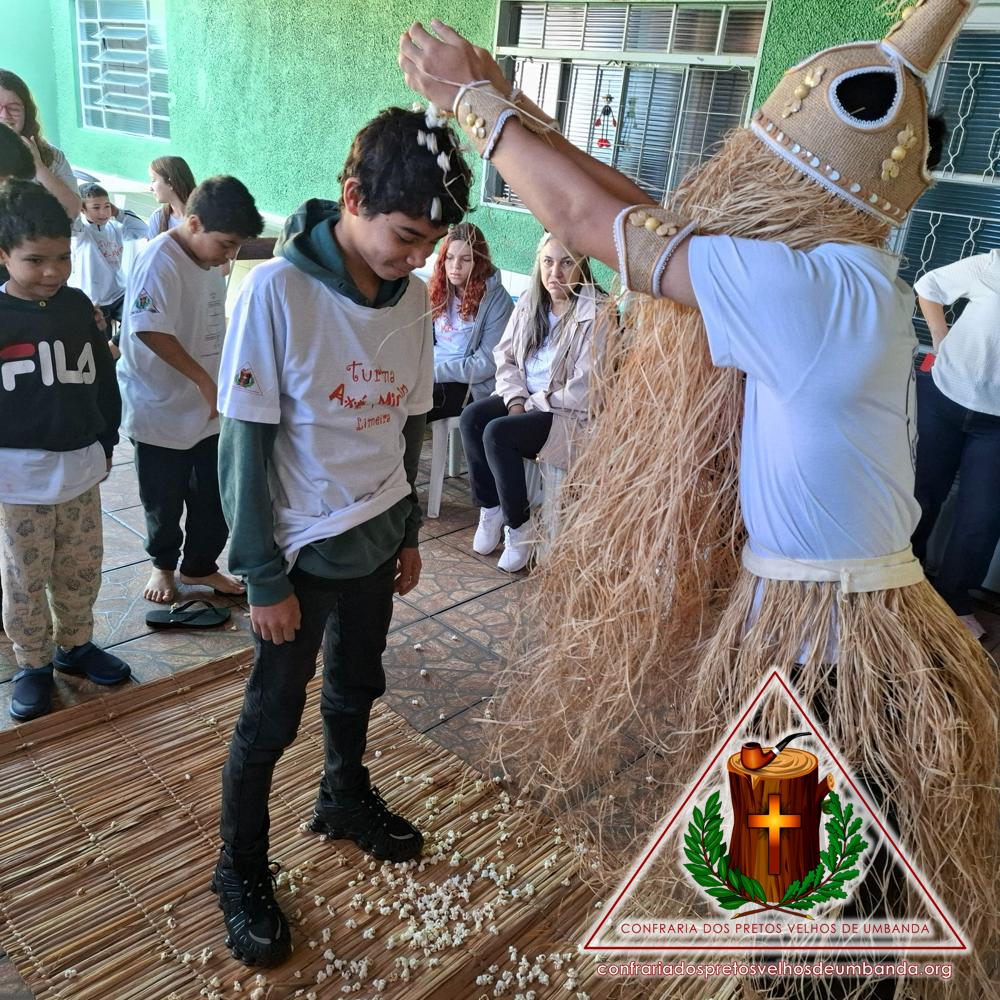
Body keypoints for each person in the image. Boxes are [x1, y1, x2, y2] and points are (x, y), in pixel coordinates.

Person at [400, 6, 997, 1000]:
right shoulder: (849, 275)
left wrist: (469, 102)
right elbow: (654, 221)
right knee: (820, 883)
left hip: (827, 656)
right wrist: (509, 103)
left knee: (808, 899)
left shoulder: (807, 291)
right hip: (835, 632)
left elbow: (590, 224)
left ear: (805, 169)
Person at [212, 106, 472, 967]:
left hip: (376, 534)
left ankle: (342, 797)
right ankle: (239, 865)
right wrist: (260, 575)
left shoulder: (413, 300)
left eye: (432, 242)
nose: (418, 258)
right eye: (407, 237)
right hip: (300, 551)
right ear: (353, 197)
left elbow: (409, 421)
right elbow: (243, 444)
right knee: (269, 718)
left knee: (358, 682)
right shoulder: (276, 293)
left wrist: (408, 530)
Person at [0, 180, 130, 721]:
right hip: (18, 478)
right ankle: (32, 663)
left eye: (61, 258)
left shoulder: (79, 307)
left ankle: (75, 645)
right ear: (3, 254)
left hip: (80, 467)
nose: (52, 271)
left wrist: (107, 439)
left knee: (80, 565)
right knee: (25, 577)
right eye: (35, 260)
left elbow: (102, 380)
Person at [117, 175, 263, 605]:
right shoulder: (159, 260)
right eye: (226, 244)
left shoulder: (208, 260)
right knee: (164, 498)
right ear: (195, 223)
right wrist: (202, 378)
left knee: (214, 495)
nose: (230, 255)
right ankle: (162, 566)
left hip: (208, 406)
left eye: (236, 246)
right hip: (159, 407)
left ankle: (200, 565)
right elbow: (148, 330)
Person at [462, 231, 605, 572]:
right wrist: (516, 400)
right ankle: (492, 507)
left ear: (583, 265)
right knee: (473, 418)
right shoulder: (530, 302)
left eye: (566, 263)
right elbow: (506, 356)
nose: (555, 272)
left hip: (565, 413)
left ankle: (519, 527)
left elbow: (586, 386)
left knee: (498, 434)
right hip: (525, 399)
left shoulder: (597, 312)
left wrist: (529, 404)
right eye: (548, 262)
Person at [911, 249, 1000, 640]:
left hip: (997, 425)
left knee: (981, 518)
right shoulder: (992, 264)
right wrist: (940, 338)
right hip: (943, 398)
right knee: (920, 498)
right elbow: (928, 286)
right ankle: (900, 584)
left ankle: (955, 602)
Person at [426, 221, 513, 421]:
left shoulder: (497, 301)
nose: (455, 266)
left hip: (468, 385)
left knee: (416, 404)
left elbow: (486, 364)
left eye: (465, 259)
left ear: (479, 263)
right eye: (449, 258)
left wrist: (435, 373)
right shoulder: (438, 289)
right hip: (430, 373)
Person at [0, 70, 81, 218]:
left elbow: (72, 211)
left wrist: (38, 167)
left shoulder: (52, 155)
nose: (4, 115)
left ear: (27, 112)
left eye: (14, 107)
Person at [69, 183, 147, 333]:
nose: (103, 212)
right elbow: (72, 215)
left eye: (107, 206)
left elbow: (143, 230)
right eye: (96, 207)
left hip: (120, 294)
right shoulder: (81, 232)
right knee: (103, 340)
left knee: (140, 324)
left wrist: (117, 212)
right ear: (83, 209)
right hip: (95, 300)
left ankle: (120, 347)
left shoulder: (114, 228)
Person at [146, 155, 196, 239]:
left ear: (170, 183)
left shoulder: (205, 215)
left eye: (153, 180)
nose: (150, 188)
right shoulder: (157, 218)